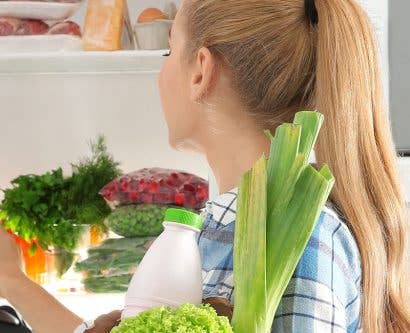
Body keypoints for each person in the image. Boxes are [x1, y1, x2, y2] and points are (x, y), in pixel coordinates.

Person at [1, 0, 409, 332]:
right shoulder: (217, 228)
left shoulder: (297, 235)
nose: (161, 73)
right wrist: (13, 281)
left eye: (168, 50)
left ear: (200, 70)